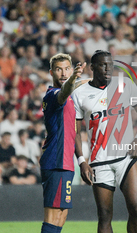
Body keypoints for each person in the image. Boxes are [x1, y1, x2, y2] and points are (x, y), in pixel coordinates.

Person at [72, 50, 137, 233]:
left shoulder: (125, 84)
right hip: (100, 162)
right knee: (105, 216)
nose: (108, 68)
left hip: (126, 159)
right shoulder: (80, 94)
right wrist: (82, 161)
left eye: (111, 64)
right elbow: (76, 132)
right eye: (103, 65)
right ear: (92, 68)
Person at [40, 53, 86, 233]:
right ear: (51, 72)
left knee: (61, 216)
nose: (63, 73)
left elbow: (74, 132)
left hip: (66, 162)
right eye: (59, 69)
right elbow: (66, 90)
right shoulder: (53, 95)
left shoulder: (70, 97)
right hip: (55, 161)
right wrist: (74, 77)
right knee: (52, 217)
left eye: (67, 68)